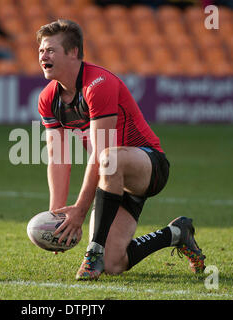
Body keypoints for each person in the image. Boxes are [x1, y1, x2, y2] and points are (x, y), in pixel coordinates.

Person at [36, 19, 206, 280]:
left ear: (73, 53)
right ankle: (177, 233)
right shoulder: (48, 98)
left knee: (108, 157)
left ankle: (93, 250)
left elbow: (102, 151)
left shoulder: (98, 84)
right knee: (113, 263)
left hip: (148, 165)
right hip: (111, 178)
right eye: (40, 51)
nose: (42, 56)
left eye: (50, 50)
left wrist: (80, 210)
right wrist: (57, 218)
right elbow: (57, 158)